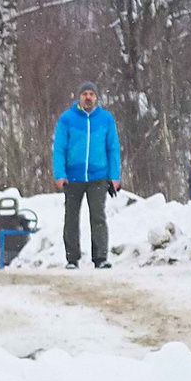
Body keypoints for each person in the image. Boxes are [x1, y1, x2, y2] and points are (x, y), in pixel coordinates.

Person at [49, 83, 122, 268]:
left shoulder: (106, 119)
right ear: (79, 97)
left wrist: (114, 175)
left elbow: (113, 148)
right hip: (72, 177)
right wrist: (60, 173)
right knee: (71, 217)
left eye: (91, 94)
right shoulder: (67, 119)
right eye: (84, 94)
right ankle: (72, 258)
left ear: (96, 97)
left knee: (98, 216)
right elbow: (59, 149)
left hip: (98, 176)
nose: (88, 97)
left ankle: (100, 257)